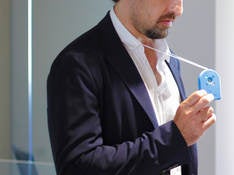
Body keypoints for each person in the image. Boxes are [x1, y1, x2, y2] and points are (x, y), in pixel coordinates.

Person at [47, 0, 216, 174]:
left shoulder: (168, 57)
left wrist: (180, 136)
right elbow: (77, 168)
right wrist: (174, 138)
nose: (178, 9)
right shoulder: (75, 64)